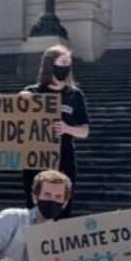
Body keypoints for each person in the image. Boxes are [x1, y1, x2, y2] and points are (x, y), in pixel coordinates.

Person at [21, 45, 90, 219]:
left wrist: (68, 129)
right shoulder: (33, 91)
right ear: (51, 64)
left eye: (69, 63)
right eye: (63, 62)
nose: (66, 67)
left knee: (63, 206)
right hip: (36, 158)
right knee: (35, 208)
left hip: (64, 156)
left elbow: (84, 131)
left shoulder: (75, 95)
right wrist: (21, 99)